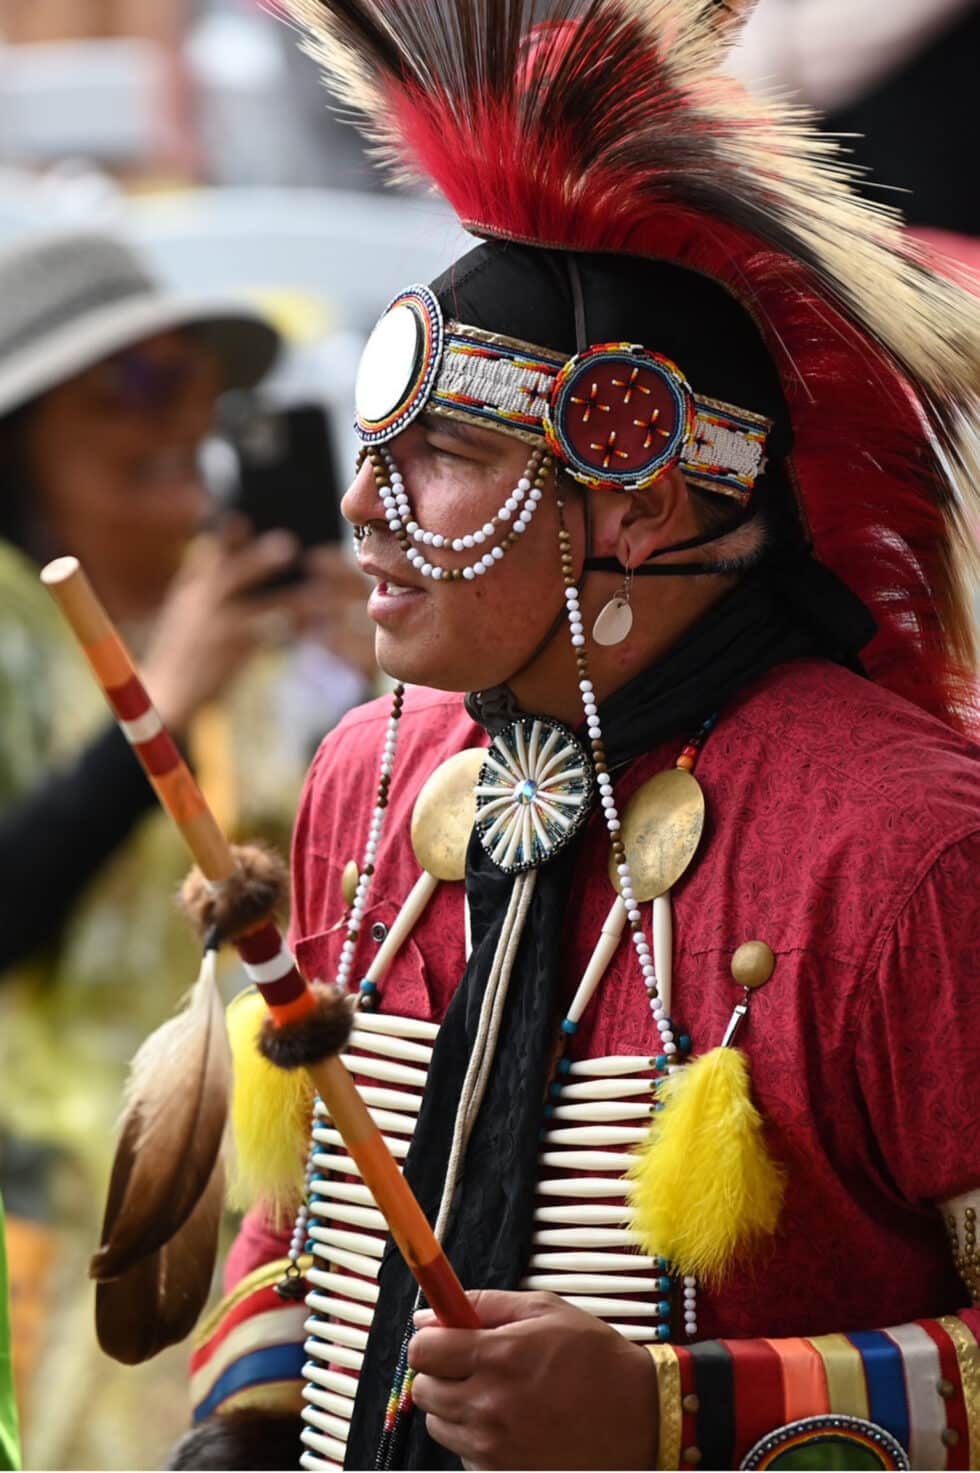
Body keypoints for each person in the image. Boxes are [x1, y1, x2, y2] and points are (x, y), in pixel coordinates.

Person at [142, 2, 979, 1470]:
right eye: (370, 447)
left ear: (641, 505)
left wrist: (669, 1413)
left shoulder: (910, 851)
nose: (361, 505)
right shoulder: (376, 772)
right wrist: (246, 1415)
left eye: (442, 454)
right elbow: (316, 1210)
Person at [0, 225, 371, 1468]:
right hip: (89, 1214)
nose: (184, 415)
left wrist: (394, 683)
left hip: (298, 1194)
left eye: (196, 376)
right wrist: (155, 703)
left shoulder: (261, 614)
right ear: (25, 437)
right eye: (132, 384)